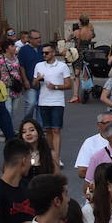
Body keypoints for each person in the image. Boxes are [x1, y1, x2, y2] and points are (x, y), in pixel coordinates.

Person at [32, 42, 72, 170]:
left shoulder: (62, 66)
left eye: (47, 53)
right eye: (42, 53)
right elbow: (34, 85)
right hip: (43, 101)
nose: (44, 55)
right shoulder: (38, 66)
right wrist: (37, 80)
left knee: (56, 130)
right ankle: (50, 155)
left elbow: (68, 85)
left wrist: (55, 86)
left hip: (57, 102)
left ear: (54, 53)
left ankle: (57, 158)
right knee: (47, 130)